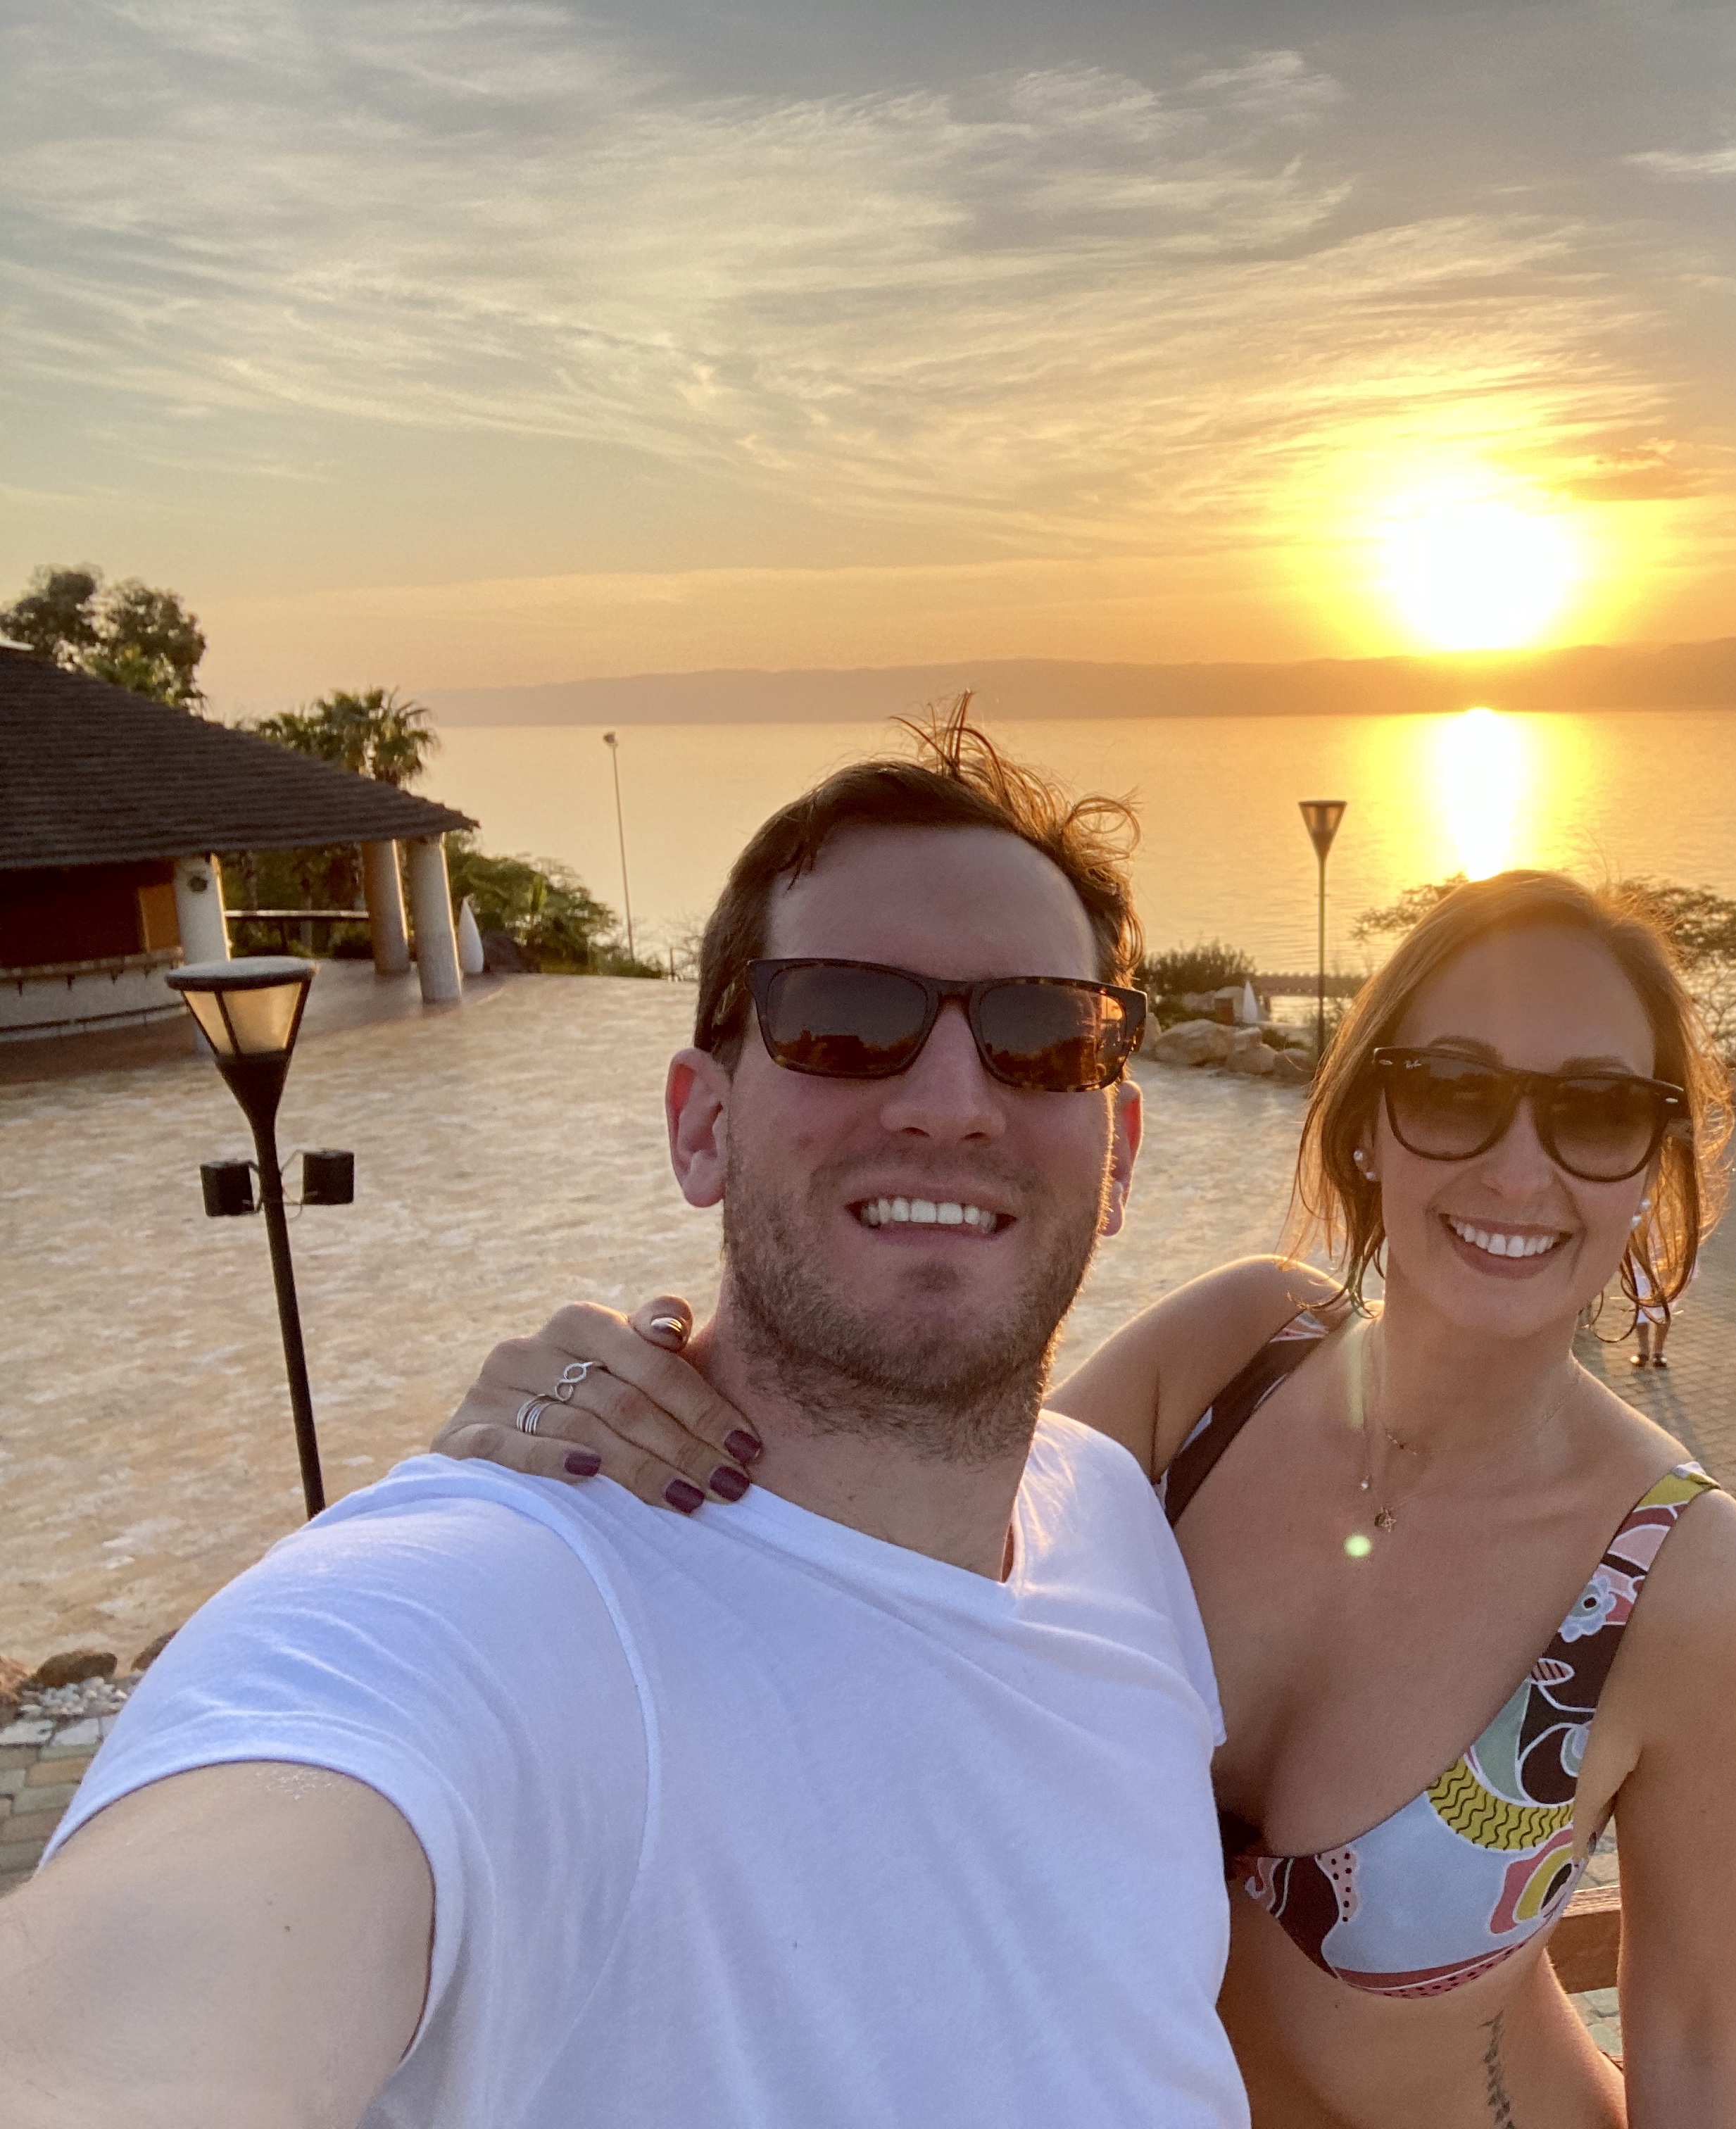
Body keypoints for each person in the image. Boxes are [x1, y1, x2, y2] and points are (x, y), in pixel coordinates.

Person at [0, 718, 1253, 2125]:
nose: (952, 1104)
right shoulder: (488, 1609)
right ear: (700, 1126)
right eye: (846, 1018)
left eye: (1042, 1034)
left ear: (1118, 1153)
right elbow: (148, 2002)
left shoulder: (1114, 1521)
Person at [439, 869, 1736, 2126]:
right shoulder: (1231, 1364)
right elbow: (901, 1531)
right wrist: (617, 1390)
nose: (1518, 1166)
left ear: (1653, 1167)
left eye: (1597, 1111)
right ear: (1369, 1127)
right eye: (1453, 1086)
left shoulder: (1691, 1586)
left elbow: (1693, 2027)